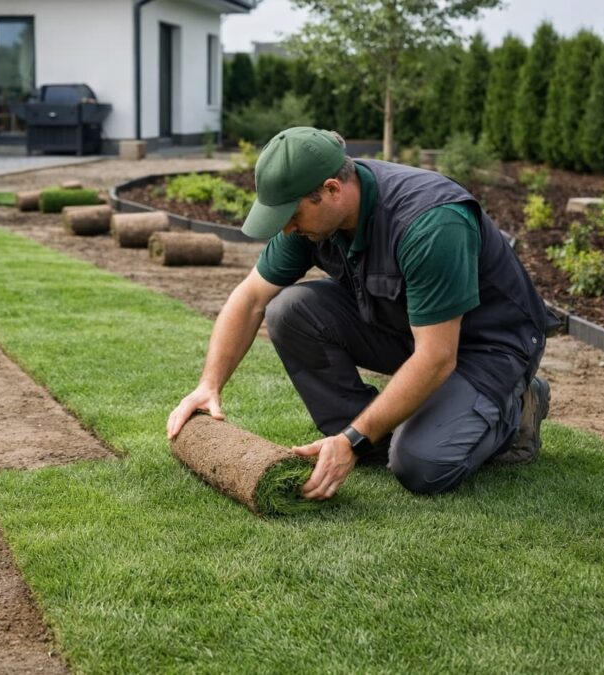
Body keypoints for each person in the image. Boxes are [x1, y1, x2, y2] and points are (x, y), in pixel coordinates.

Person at [166, 127, 555, 500]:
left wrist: (352, 439)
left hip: (487, 346)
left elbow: (437, 356)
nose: (286, 228)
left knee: (421, 465)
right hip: (410, 327)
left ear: (332, 190)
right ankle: (371, 436)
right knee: (288, 309)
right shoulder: (313, 219)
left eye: (292, 215)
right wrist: (209, 385)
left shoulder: (429, 221)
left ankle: (515, 409)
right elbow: (251, 298)